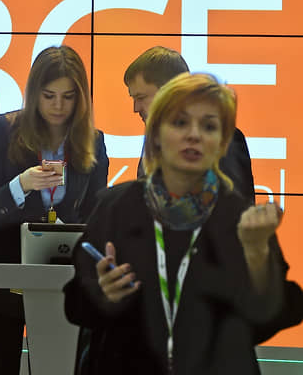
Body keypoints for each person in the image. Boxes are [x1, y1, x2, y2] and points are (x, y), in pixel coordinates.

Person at [64, 73, 303, 375]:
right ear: (156, 134)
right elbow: (75, 306)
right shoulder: (116, 207)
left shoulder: (238, 216)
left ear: (222, 142)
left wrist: (256, 254)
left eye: (209, 126)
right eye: (180, 123)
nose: (194, 135)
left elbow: (270, 317)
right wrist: (103, 294)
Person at [0, 45, 109, 374]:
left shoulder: (92, 141)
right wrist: (21, 185)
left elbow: (95, 217)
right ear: (34, 93)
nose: (58, 106)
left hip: (60, 281)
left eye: (68, 96)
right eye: (49, 95)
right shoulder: (2, 130)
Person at [124, 46, 255, 203]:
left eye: (141, 97)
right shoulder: (155, 137)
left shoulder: (225, 139)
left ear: (168, 91)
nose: (135, 108)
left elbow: (237, 206)